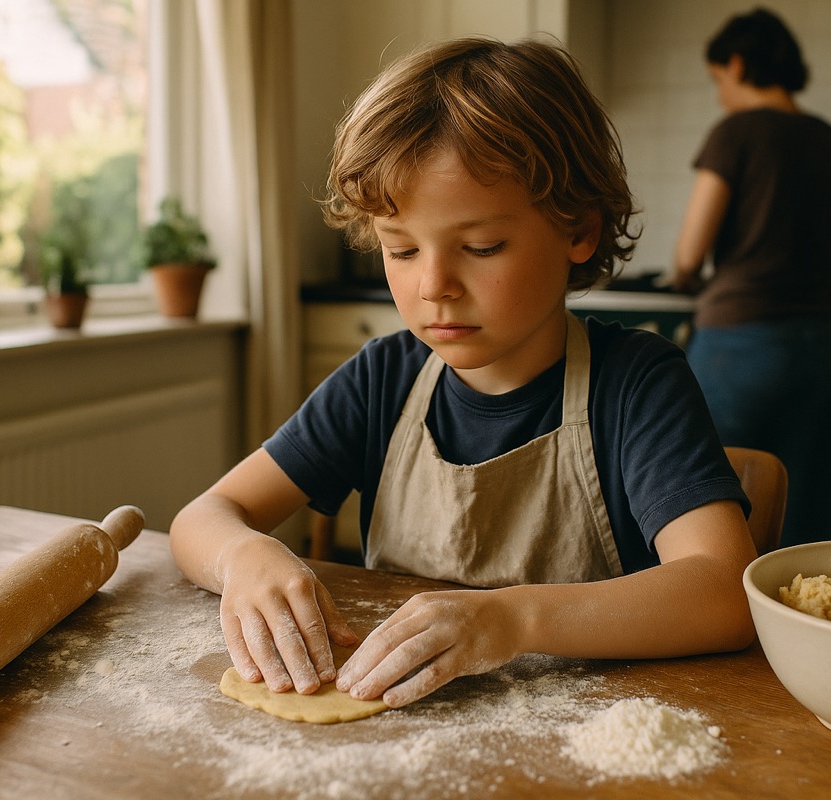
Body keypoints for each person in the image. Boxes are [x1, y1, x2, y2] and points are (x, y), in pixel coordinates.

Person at [170, 37, 758, 710]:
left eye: (481, 247)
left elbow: (721, 589)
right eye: (401, 249)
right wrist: (244, 557)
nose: (435, 284)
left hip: (587, 741)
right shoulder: (381, 382)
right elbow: (203, 517)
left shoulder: (635, 385)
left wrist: (512, 620)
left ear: (579, 231)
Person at [669, 7, 831, 549]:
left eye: (718, 80)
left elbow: (690, 253)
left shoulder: (735, 133)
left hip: (740, 340)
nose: (720, 95)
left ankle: (711, 623)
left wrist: (684, 275)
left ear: (737, 64)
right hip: (817, 341)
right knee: (792, 497)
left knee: (707, 492)